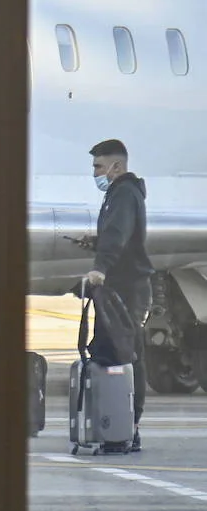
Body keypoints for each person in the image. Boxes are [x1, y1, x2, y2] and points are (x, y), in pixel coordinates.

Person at [82, 139, 152, 452]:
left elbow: (118, 234)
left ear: (116, 166)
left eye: (98, 166)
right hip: (119, 288)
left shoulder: (123, 192)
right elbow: (115, 234)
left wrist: (100, 267)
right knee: (111, 352)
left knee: (127, 355)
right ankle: (116, 425)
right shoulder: (120, 192)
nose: (95, 172)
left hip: (127, 289)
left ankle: (128, 428)